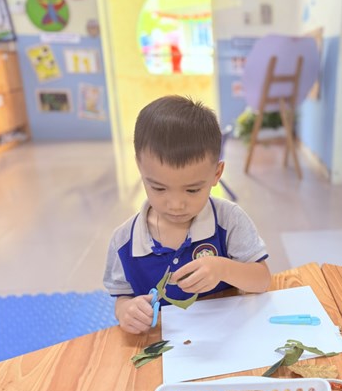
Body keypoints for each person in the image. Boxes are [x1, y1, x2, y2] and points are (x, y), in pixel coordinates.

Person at [103, 95, 271, 334]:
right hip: (162, 344)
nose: (176, 205)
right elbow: (122, 297)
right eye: (159, 188)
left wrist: (223, 269)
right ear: (140, 167)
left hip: (227, 338)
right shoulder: (124, 242)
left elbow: (262, 280)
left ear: (217, 173)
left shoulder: (229, 220)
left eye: (192, 190)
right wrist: (125, 310)